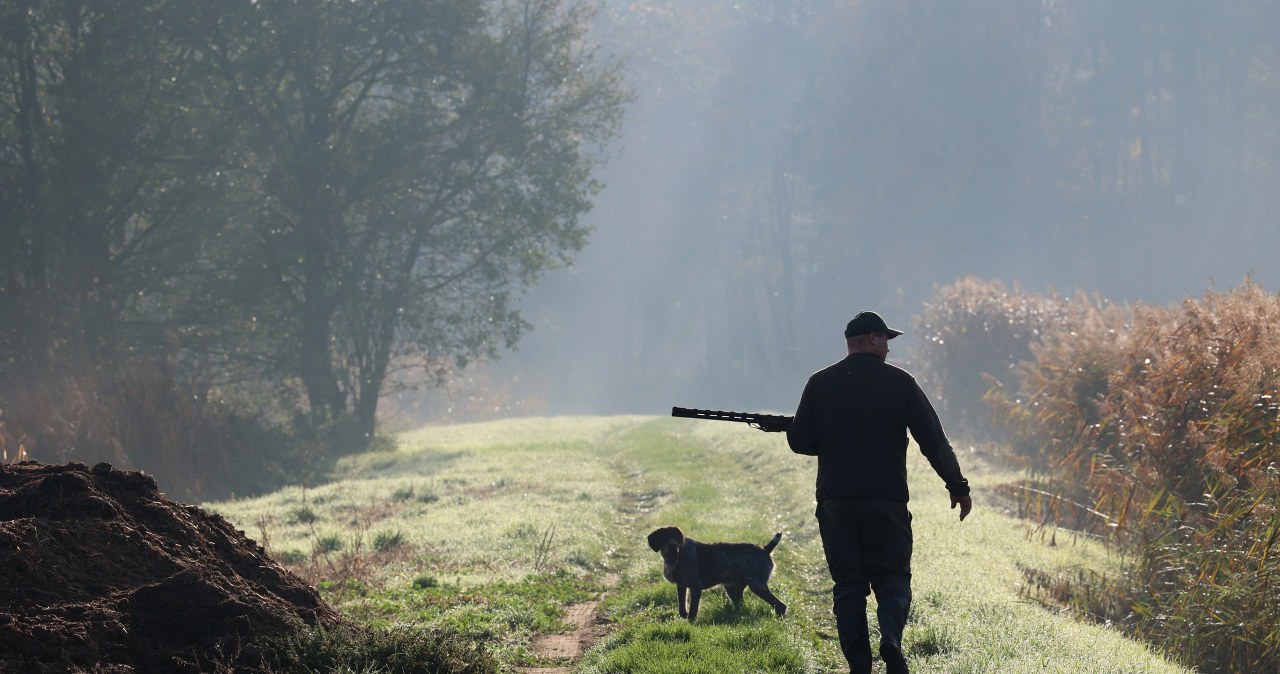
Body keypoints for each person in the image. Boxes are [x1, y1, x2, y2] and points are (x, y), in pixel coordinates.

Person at [786, 310, 972, 674]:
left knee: (849, 585)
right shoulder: (901, 383)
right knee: (893, 578)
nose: (888, 347)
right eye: (886, 339)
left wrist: (827, 435)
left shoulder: (820, 382)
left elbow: (801, 442)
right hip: (886, 500)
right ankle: (891, 639)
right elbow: (934, 441)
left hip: (836, 501)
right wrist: (957, 485)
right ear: (872, 338)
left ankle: (859, 665)